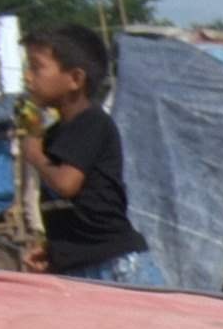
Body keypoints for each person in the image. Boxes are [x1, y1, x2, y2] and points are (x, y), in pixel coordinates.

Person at [17, 22, 137, 284]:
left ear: (75, 79)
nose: (28, 77)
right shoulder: (54, 134)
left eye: (36, 67)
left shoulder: (92, 123)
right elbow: (68, 208)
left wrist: (36, 155)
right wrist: (56, 250)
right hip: (78, 266)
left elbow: (66, 184)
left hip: (112, 265)